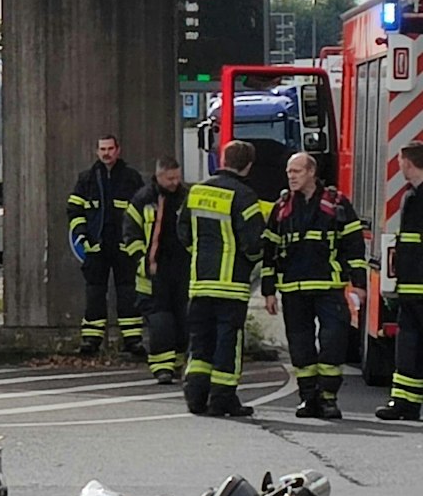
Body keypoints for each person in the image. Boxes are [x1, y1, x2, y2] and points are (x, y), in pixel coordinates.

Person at [262, 152, 367, 420]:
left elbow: (354, 246)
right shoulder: (282, 207)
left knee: (333, 341)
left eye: (296, 171)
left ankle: (328, 397)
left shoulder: (337, 204)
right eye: (289, 171)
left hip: (329, 286)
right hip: (293, 288)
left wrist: (359, 284)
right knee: (300, 345)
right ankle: (308, 398)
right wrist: (268, 290)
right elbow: (269, 250)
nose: (291, 176)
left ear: (311, 172)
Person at [178, 139, 266, 417]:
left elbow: (183, 233)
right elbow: (254, 244)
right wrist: (249, 264)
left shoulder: (196, 192)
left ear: (222, 159)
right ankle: (222, 399)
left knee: (200, 341)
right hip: (231, 286)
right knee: (228, 343)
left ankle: (195, 397)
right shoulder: (244, 196)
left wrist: (201, 256)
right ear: (248, 166)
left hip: (200, 282)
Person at [67, 134, 146, 355]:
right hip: (96, 247)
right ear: (97, 152)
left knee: (128, 295)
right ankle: (91, 340)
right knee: (94, 295)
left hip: (123, 248)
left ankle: (132, 341)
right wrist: (83, 237)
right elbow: (74, 210)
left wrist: (133, 241)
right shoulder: (87, 179)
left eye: (110, 148)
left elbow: (142, 211)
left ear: (118, 150)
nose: (106, 153)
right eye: (102, 149)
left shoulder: (131, 178)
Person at [122, 156, 189, 385]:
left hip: (182, 270)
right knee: (161, 322)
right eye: (170, 178)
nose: (174, 182)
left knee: (184, 319)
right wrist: (142, 261)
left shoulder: (186, 198)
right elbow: (131, 234)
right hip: (154, 273)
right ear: (159, 176)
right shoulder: (143, 199)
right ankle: (162, 368)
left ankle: (178, 363)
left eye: (177, 177)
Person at [377, 142, 423, 421]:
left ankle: (405, 403)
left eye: (400, 162)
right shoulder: (412, 195)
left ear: (408, 163)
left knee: (411, 346)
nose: (398, 167)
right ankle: (404, 402)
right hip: (411, 288)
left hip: (417, 286)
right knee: (409, 347)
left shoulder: (417, 196)